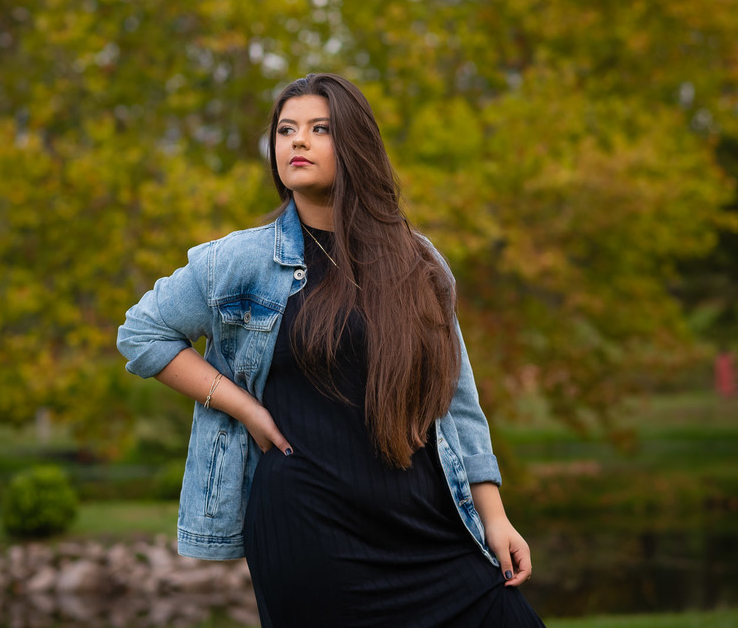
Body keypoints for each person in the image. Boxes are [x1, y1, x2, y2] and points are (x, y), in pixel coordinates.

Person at [117, 73, 546, 627]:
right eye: (286, 130)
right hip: (308, 527)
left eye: (320, 129)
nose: (297, 141)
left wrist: (495, 517)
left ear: (355, 145)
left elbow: (456, 400)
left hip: (424, 521)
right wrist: (243, 406)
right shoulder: (239, 261)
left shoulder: (419, 262)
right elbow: (142, 332)